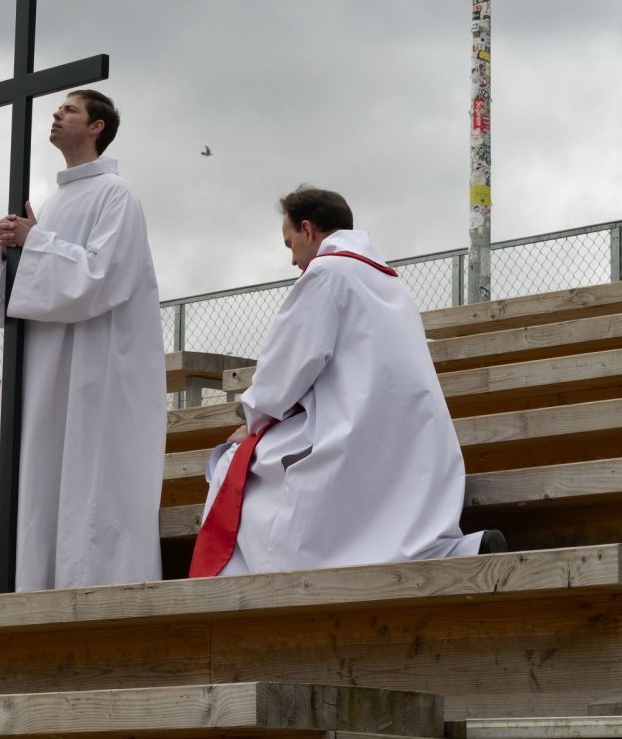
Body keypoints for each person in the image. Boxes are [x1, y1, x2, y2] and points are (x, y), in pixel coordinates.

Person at [190, 186, 501, 579]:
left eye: (290, 244)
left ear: (308, 230)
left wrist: (250, 420)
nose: (292, 259)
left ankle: (254, 587)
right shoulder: (392, 284)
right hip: (418, 443)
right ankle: (463, 550)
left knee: (237, 466)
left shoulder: (327, 274)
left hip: (353, 436)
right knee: (400, 530)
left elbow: (281, 376)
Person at [0, 89, 167, 595]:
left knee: (83, 473)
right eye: (55, 109)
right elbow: (19, 293)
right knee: (35, 471)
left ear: (97, 127)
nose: (55, 115)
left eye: (69, 110)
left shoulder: (117, 195)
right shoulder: (51, 202)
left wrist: (36, 242)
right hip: (43, 367)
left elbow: (102, 276)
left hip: (90, 364)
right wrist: (13, 248)